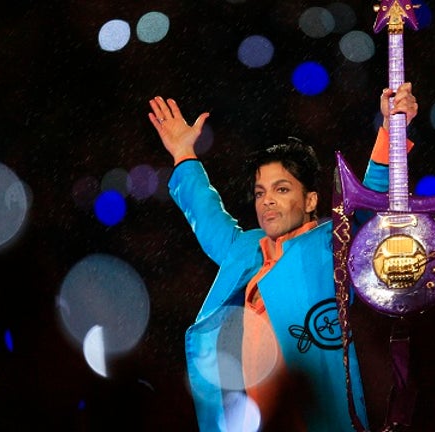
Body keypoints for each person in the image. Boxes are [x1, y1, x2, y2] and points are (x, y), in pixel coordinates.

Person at [148, 83, 418, 431]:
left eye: (282, 189)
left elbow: (370, 206)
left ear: (310, 201)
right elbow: (207, 212)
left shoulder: (331, 241)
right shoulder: (245, 248)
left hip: (320, 418)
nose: (267, 201)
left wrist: (391, 129)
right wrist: (184, 153)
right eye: (261, 192)